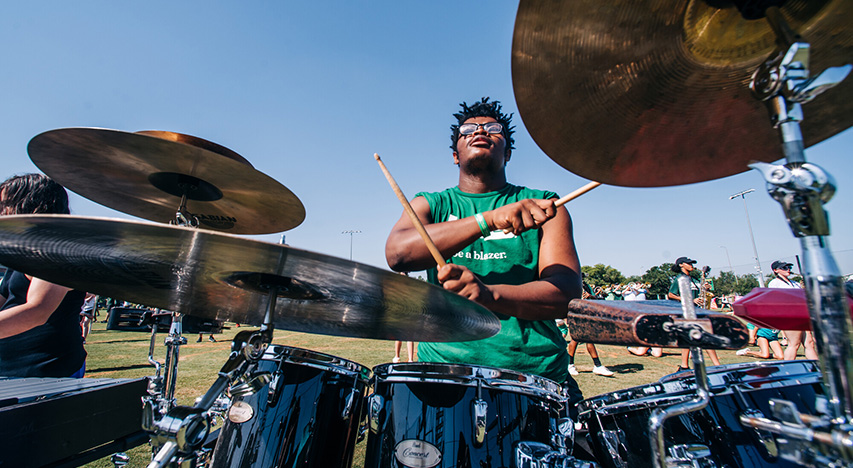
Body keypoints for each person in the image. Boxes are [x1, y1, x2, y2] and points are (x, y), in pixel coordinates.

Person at [385, 97, 583, 413]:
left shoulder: (544, 206)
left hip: (536, 379)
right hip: (445, 377)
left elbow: (566, 294)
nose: (480, 131)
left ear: (508, 152)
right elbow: (397, 253)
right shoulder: (431, 204)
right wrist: (487, 220)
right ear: (455, 155)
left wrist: (489, 294)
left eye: (493, 128)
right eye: (467, 130)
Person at [0, 173, 87, 377]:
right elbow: (4, 298)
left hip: (47, 370)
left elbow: (37, 310)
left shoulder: (59, 251)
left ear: (29, 204)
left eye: (4, 205)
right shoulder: (21, 252)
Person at [669, 257, 721, 371]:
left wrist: (705, 289)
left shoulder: (694, 279)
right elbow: (671, 294)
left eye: (691, 263)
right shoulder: (679, 279)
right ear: (681, 265)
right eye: (688, 263)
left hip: (697, 311)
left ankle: (715, 365)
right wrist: (689, 300)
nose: (691, 265)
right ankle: (685, 365)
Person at [768, 260, 818, 361]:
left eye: (789, 267)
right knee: (794, 344)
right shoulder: (774, 283)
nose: (788, 270)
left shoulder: (795, 283)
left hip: (801, 314)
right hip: (789, 316)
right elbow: (777, 300)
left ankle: (816, 366)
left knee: (809, 343)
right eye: (784, 268)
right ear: (776, 270)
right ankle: (787, 366)